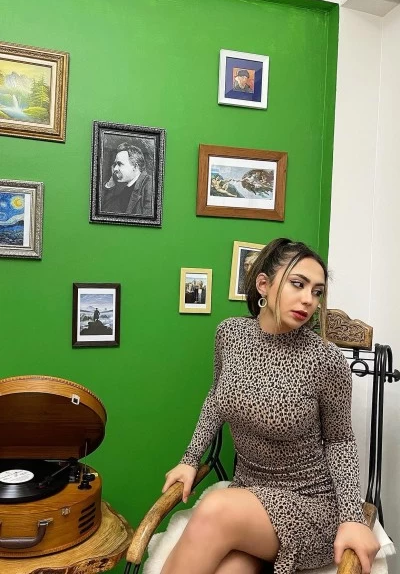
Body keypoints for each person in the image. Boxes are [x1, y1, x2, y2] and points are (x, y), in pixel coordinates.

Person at [161, 238, 379, 574]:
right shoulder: (229, 334)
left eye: (317, 292)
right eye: (298, 284)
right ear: (263, 284)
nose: (308, 300)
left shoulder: (326, 359)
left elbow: (340, 442)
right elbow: (216, 398)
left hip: (309, 503)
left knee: (216, 508)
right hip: (247, 493)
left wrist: (351, 517)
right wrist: (189, 459)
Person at [102, 142, 153, 216]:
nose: (115, 168)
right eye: (115, 164)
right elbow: (104, 210)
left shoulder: (149, 184)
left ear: (135, 167)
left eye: (119, 164)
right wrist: (110, 184)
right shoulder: (125, 187)